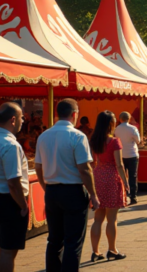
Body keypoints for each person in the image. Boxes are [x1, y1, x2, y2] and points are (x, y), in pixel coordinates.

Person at [35, 98, 99, 271]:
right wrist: (93, 194)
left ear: (57, 113)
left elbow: (38, 167)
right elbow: (84, 168)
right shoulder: (77, 136)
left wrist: (45, 187)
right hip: (73, 191)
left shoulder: (44, 135)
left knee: (54, 239)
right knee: (73, 242)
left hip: (52, 191)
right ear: (74, 114)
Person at [0, 103, 29, 272]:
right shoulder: (10, 145)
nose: (24, 121)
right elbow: (13, 183)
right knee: (8, 252)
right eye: (22, 117)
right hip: (9, 200)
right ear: (13, 120)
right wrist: (23, 205)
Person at [88, 111, 129, 262]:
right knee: (112, 219)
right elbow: (119, 164)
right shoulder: (114, 142)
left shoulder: (94, 140)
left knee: (97, 219)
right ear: (111, 124)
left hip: (98, 176)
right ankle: (112, 250)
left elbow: (92, 162)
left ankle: (95, 252)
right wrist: (125, 182)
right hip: (112, 177)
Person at [114, 112, 141, 205]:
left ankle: (122, 195)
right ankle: (133, 196)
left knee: (121, 176)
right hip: (132, 154)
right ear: (129, 119)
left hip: (121, 154)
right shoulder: (133, 129)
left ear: (120, 119)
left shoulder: (116, 129)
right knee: (133, 176)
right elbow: (138, 140)